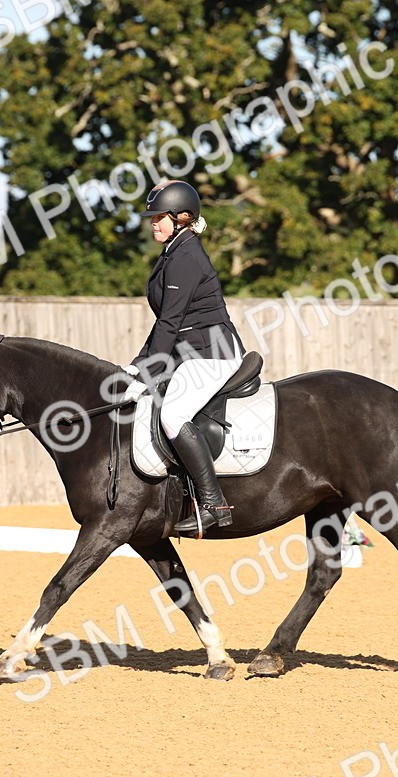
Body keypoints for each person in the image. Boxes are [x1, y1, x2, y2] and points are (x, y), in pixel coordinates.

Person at [122, 180, 246, 533]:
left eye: (159, 216)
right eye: (152, 217)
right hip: (189, 354)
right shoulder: (174, 251)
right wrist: (137, 364)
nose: (153, 223)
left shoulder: (187, 256)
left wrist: (146, 372)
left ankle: (213, 503)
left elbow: (170, 323)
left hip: (213, 354)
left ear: (183, 217)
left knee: (173, 415)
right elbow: (165, 324)